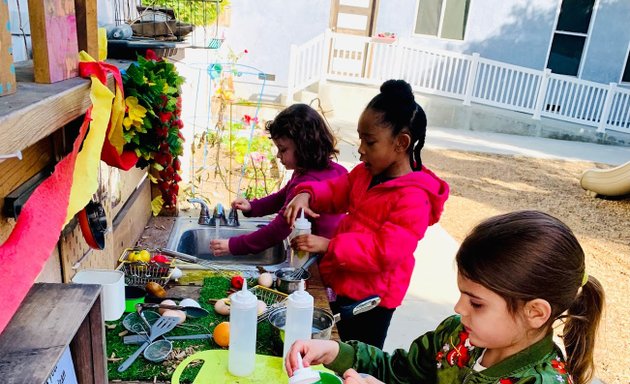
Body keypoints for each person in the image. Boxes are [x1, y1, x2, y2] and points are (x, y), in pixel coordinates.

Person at [285, 210, 606, 384]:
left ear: (535, 312)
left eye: (476, 303)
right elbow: (402, 370)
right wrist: (335, 352)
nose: (458, 308)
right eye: (462, 295)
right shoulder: (458, 335)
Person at [284, 80, 450, 349]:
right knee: (333, 348)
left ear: (401, 143)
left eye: (369, 141)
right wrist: (308, 194)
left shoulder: (415, 198)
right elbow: (335, 191)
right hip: (344, 284)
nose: (361, 149)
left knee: (358, 358)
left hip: (372, 301)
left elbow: (385, 252)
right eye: (360, 138)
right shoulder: (365, 173)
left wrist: (330, 246)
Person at [210, 103, 347, 257]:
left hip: (322, 258)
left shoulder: (308, 181)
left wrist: (233, 245)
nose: (278, 155)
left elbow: (278, 230)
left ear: (304, 147)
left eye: (282, 149)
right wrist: (253, 207)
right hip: (330, 251)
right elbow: (282, 197)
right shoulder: (328, 170)